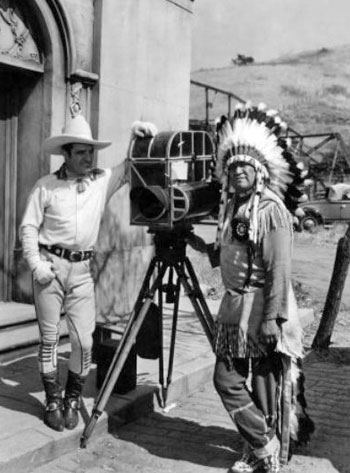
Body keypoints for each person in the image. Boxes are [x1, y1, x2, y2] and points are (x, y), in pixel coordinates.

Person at [190, 104, 313, 473]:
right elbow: (232, 257)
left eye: (245, 166)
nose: (238, 171)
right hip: (234, 309)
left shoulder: (271, 210)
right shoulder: (235, 208)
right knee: (227, 378)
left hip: (262, 308)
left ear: (259, 171)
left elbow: (279, 269)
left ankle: (262, 449)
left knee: (263, 383)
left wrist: (275, 318)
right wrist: (196, 245)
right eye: (233, 167)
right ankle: (263, 443)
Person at [19, 113, 157, 432]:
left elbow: (128, 165)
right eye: (80, 152)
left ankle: (72, 397)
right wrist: (36, 264)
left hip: (82, 271)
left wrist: (137, 137)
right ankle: (52, 402)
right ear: (66, 155)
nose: (88, 157)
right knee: (50, 339)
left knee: (84, 340)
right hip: (50, 268)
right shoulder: (46, 186)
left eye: (90, 151)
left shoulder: (100, 181)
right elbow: (28, 227)